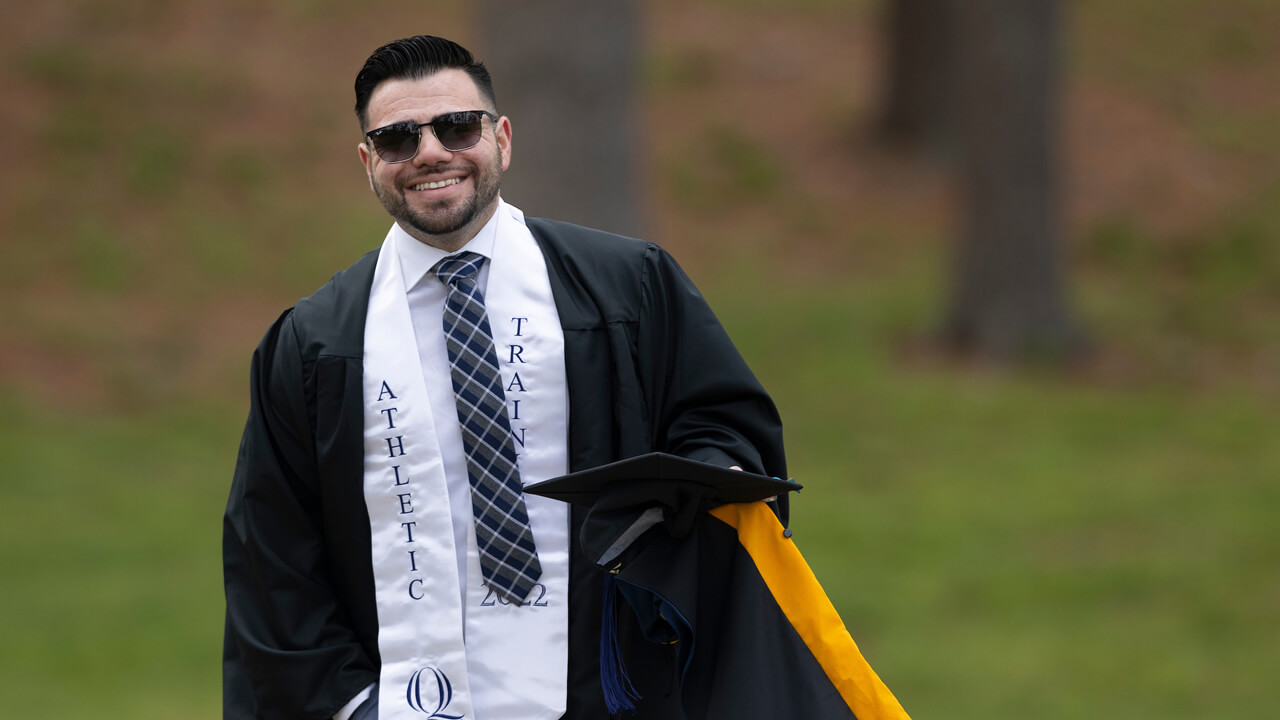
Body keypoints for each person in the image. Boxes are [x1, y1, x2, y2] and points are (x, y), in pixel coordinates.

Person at [222, 34, 785, 720]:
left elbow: (729, 436)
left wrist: (655, 525)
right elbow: (273, 556)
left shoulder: (625, 290)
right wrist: (351, 707)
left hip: (605, 694)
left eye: (457, 127)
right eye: (399, 139)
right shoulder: (317, 343)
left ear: (503, 140)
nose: (431, 152)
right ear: (368, 163)